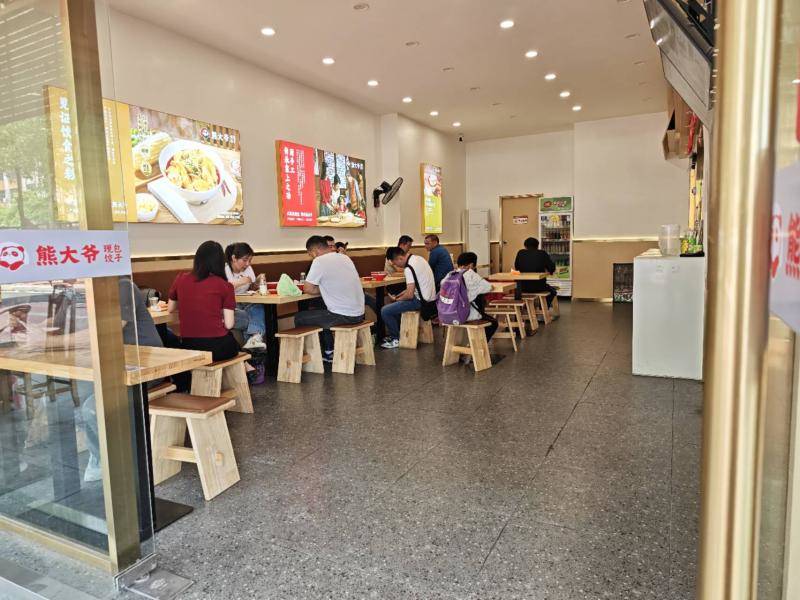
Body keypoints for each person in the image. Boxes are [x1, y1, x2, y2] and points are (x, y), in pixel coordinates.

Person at [81, 276, 163, 482]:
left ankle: (112, 461)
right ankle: (102, 455)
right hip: (118, 362)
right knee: (85, 402)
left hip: (146, 364)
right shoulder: (90, 290)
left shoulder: (123, 285)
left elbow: (112, 327)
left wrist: (61, 339)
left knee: (92, 407)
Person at [168, 241, 239, 372]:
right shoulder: (225, 285)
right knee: (233, 342)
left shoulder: (181, 278)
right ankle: (249, 367)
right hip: (216, 349)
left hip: (188, 347)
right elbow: (229, 325)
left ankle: (247, 367)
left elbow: (170, 308)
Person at [294, 236, 365, 362]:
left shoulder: (319, 261)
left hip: (344, 315)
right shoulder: (345, 257)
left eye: (310, 254)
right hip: (360, 313)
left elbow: (308, 289)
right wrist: (327, 289)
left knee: (300, 317)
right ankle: (328, 350)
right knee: (323, 311)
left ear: (315, 251)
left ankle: (315, 357)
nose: (312, 257)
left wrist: (323, 289)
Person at [380, 246, 437, 349]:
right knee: (395, 307)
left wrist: (396, 299)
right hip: (431, 300)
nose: (397, 266)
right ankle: (399, 334)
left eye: (395, 263)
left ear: (400, 258)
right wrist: (399, 296)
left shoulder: (408, 268)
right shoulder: (419, 259)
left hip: (421, 302)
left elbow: (410, 295)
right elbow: (414, 288)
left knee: (385, 311)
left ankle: (396, 339)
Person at [225, 242, 266, 351]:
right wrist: (240, 282)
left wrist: (256, 284)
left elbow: (250, 289)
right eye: (244, 260)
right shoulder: (224, 270)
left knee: (258, 306)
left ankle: (253, 342)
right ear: (234, 258)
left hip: (247, 303)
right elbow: (222, 290)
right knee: (257, 316)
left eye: (250, 260)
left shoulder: (248, 269)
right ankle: (255, 339)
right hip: (232, 307)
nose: (247, 264)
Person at [456, 252, 498, 342]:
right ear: (471, 265)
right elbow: (489, 287)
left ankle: (472, 344)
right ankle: (478, 345)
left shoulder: (451, 274)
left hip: (449, 314)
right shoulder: (470, 274)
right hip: (467, 315)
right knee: (493, 323)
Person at [514, 237, 557, 307]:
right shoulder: (542, 253)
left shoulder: (520, 253)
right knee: (553, 291)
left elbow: (517, 267)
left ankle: (526, 309)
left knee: (519, 290)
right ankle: (542, 308)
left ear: (525, 246)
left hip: (522, 287)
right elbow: (551, 268)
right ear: (537, 245)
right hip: (539, 287)